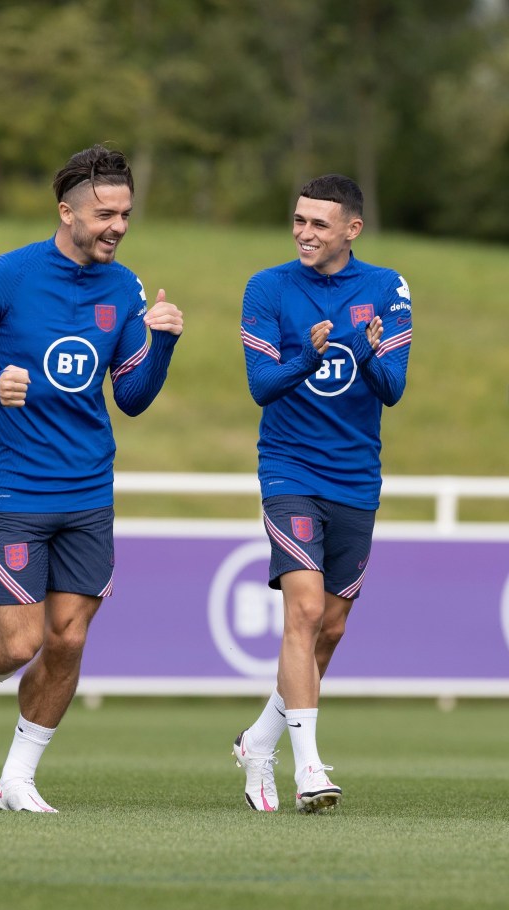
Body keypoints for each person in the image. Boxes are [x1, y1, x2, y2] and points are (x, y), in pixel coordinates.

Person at [0, 144, 183, 812]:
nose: (116, 225)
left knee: (67, 640)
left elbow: (133, 397)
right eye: (103, 213)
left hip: (89, 492)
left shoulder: (124, 289)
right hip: (17, 489)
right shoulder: (6, 277)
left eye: (124, 213)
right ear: (66, 212)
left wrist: (163, 341)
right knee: (20, 641)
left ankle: (17, 779)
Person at [234, 174, 411, 814]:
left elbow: (392, 387)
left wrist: (362, 354)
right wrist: (307, 360)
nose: (305, 233)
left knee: (330, 630)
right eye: (299, 220)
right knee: (304, 612)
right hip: (289, 471)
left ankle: (259, 740)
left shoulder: (386, 288)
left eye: (319, 223)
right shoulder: (268, 287)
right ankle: (308, 768)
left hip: (356, 476)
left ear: (351, 230)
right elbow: (262, 385)